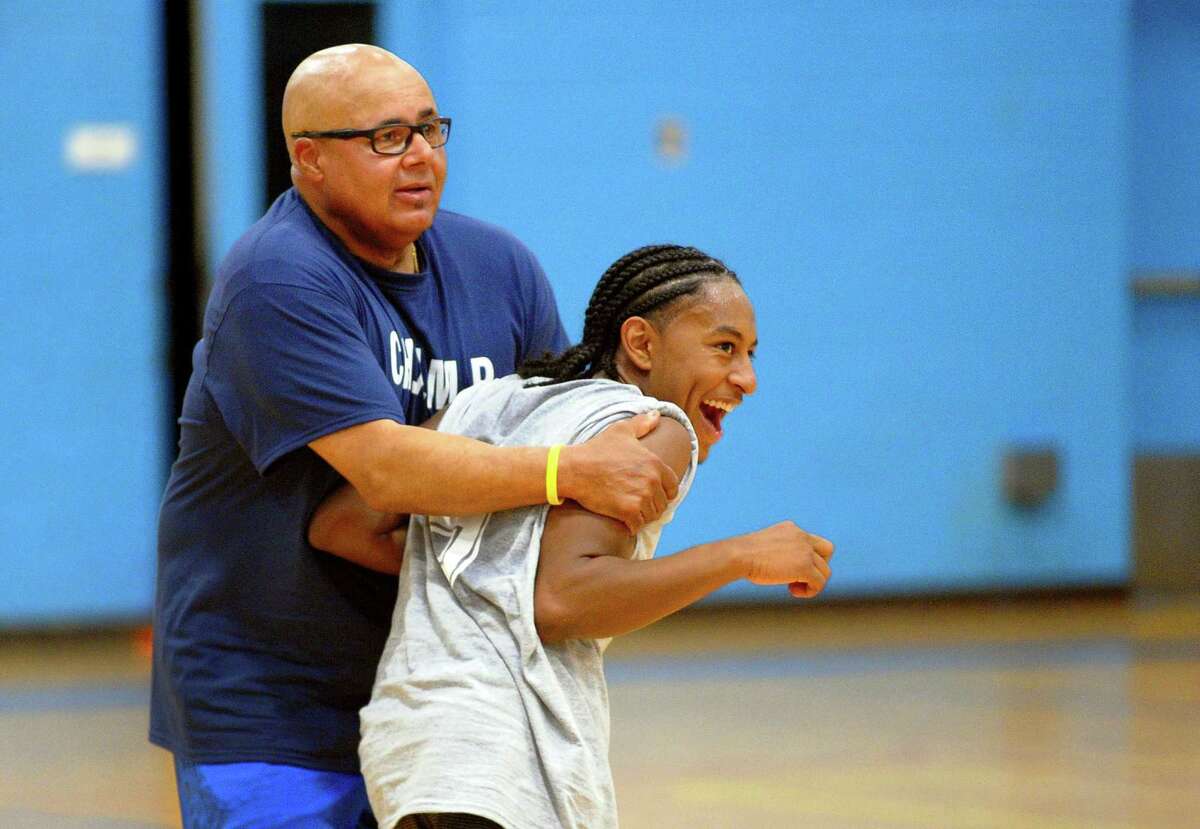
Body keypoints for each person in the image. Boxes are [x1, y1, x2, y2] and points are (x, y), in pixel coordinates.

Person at [150, 44, 678, 828]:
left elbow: (561, 423)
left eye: (432, 131)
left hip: (444, 694)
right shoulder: (279, 276)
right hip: (275, 700)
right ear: (309, 159)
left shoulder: (498, 265)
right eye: (388, 138)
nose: (422, 157)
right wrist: (571, 472)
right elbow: (385, 471)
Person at [311, 244, 835, 829]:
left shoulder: (493, 399)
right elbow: (562, 599)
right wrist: (738, 556)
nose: (747, 379)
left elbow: (342, 526)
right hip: (505, 759)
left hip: (411, 753)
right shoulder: (655, 428)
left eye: (750, 354)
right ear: (641, 344)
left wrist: (490, 558)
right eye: (724, 348)